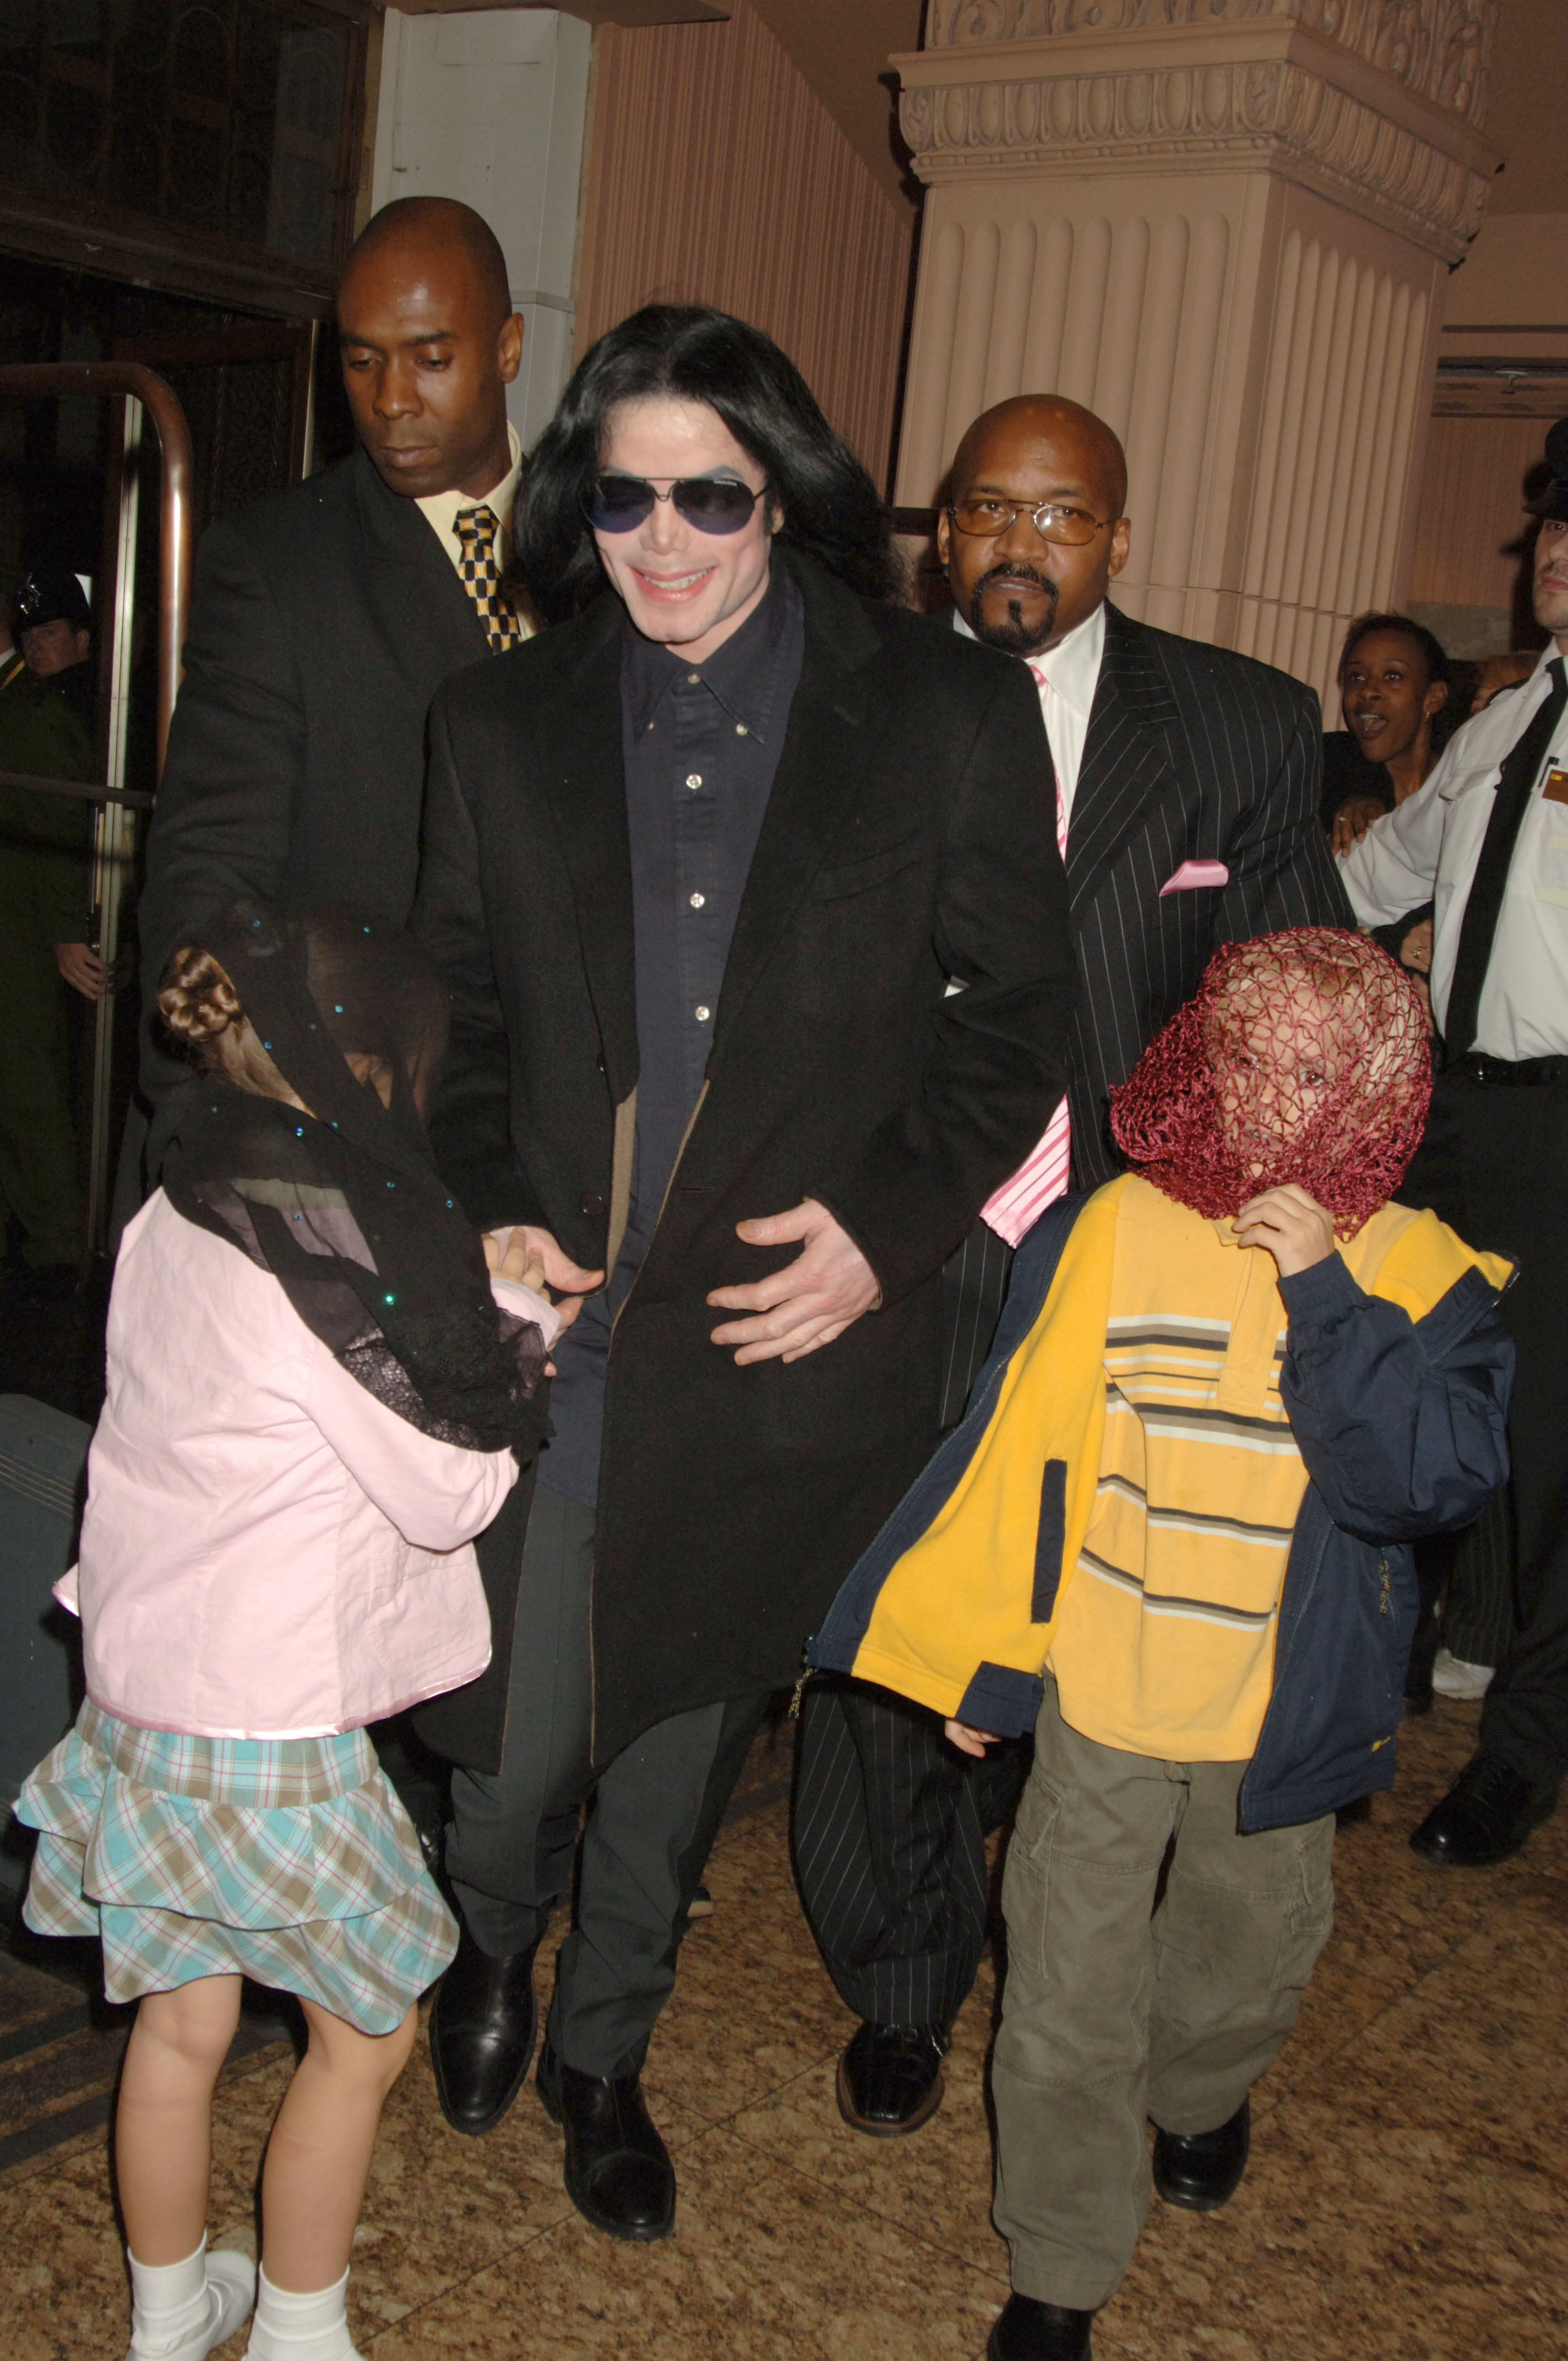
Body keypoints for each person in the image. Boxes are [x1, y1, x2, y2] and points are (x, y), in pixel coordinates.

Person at [411, 304, 1074, 2241]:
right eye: (622, 493)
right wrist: (476, 1201)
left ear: (779, 489)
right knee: (517, 1728)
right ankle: (486, 1942)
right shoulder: (497, 721)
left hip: (777, 1333)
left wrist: (885, 1233)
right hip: (554, 1319)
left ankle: (603, 2045)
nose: (666, 534)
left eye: (710, 489)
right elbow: (444, 1011)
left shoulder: (937, 708)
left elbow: (1013, 1019)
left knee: (683, 1733)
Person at [811, 927, 1513, 2361]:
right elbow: (1028, 1449)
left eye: (1314, 1076)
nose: (1277, 1101)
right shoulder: (1119, 1229)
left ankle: (1200, 2093)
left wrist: (1328, 1293)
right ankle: (1062, 2263)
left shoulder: (1422, 1269)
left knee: (1240, 1967)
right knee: (1065, 1988)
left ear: (1375, 1090)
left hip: (1278, 1715)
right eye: (1252, 1062)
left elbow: (1426, 1478)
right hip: (1109, 1693)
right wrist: (988, 1658)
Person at [793, 391, 1351, 2140]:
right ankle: (901, 1970)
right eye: (982, 509)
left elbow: (1295, 1001)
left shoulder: (1244, 728)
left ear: (1119, 540)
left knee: (1155, 1660)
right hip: (901, 1242)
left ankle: (1169, 2036)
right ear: (935, 529)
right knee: (903, 1614)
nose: (1016, 542)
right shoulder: (838, 698)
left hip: (1142, 1262)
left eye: (1058, 515)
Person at [14, 903, 556, 2361]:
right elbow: (451, 1488)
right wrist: (510, 1311)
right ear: (351, 1064)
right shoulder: (314, 1267)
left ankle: (170, 2319)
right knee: (367, 2032)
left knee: (179, 2032)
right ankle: (305, 2337)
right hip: (258, 1727)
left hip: (140, 1688)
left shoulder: (180, 1197)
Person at [133, 197, 530, 1171]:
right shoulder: (277, 565)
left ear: (509, 348)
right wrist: (235, 1117)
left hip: (540, 1132)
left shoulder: (610, 543)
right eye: (361, 360)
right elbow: (208, 872)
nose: (390, 398)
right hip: (344, 1127)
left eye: (431, 357)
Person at [1338, 415, 1568, 1869]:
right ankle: (1346, 1692)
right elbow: (1373, 874)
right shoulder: (1494, 726)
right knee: (1377, 1380)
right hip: (1451, 1108)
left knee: (1544, 1455)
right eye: (1550, 531)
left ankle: (1522, 1754)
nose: (1557, 554)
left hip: (1562, 1126)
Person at [0, 569, 102, 1290]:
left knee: (30, 1085)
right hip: (19, 915)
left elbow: (64, 824)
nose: (39, 647)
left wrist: (69, 933)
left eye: (52, 633)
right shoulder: (26, 705)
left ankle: (59, 1243)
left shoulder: (41, 715)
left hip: (28, 926)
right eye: (30, 635)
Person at [1321, 612, 1453, 852]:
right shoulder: (1320, 764)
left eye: (1393, 676)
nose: (1368, 691)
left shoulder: (1458, 783)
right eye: (1356, 677)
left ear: (1433, 697)